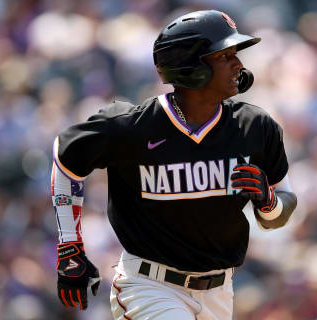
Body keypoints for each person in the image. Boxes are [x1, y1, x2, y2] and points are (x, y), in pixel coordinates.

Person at [51, 9, 297, 320]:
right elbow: (66, 154)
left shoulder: (255, 126)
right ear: (191, 67)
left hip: (220, 292)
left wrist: (269, 201)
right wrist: (69, 246)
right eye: (225, 56)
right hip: (150, 286)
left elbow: (282, 208)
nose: (239, 64)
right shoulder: (133, 126)